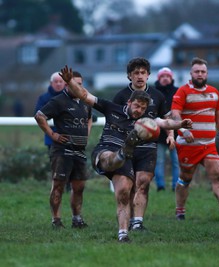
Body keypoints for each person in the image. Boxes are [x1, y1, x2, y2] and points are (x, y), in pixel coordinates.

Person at [58, 65, 192, 243]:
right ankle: (120, 154)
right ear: (129, 103)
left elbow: (165, 122)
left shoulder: (145, 121)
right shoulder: (111, 108)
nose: (138, 110)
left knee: (123, 193)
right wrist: (69, 81)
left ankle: (123, 234)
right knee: (109, 157)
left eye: (142, 109)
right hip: (105, 151)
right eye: (136, 106)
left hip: (126, 159)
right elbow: (84, 95)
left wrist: (181, 124)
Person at [172, 57, 219, 221]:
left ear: (207, 73)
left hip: (210, 144)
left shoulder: (214, 92)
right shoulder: (183, 91)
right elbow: (175, 114)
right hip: (189, 145)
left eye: (203, 71)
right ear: (191, 73)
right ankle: (180, 211)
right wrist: (184, 130)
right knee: (185, 178)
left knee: (217, 175)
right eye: (197, 71)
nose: (200, 74)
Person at [113, 57, 172, 231]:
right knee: (129, 186)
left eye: (143, 73)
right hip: (127, 147)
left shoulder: (157, 95)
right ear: (129, 76)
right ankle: (128, 218)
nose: (140, 76)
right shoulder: (121, 96)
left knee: (143, 182)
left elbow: (166, 118)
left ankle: (138, 222)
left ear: (148, 75)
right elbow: (113, 121)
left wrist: (171, 135)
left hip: (148, 146)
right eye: (136, 73)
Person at [34, 71, 92, 229]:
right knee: (59, 185)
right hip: (62, 151)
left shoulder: (85, 101)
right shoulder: (58, 101)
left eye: (81, 84)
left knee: (79, 187)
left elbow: (89, 119)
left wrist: (86, 134)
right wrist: (52, 134)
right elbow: (40, 116)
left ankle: (77, 219)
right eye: (76, 84)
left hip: (80, 150)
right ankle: (56, 220)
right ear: (68, 84)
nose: (79, 87)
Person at [153, 67, 179, 192]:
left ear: (171, 78)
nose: (165, 78)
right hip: (158, 133)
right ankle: (160, 186)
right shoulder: (153, 92)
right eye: (162, 76)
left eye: (167, 76)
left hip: (176, 133)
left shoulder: (178, 92)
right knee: (159, 161)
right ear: (159, 78)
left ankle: (176, 186)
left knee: (176, 162)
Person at [35, 72, 66, 149]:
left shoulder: (70, 97)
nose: (58, 84)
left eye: (60, 81)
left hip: (69, 137)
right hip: (51, 137)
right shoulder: (43, 98)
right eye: (56, 81)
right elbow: (37, 114)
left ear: (65, 83)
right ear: (51, 83)